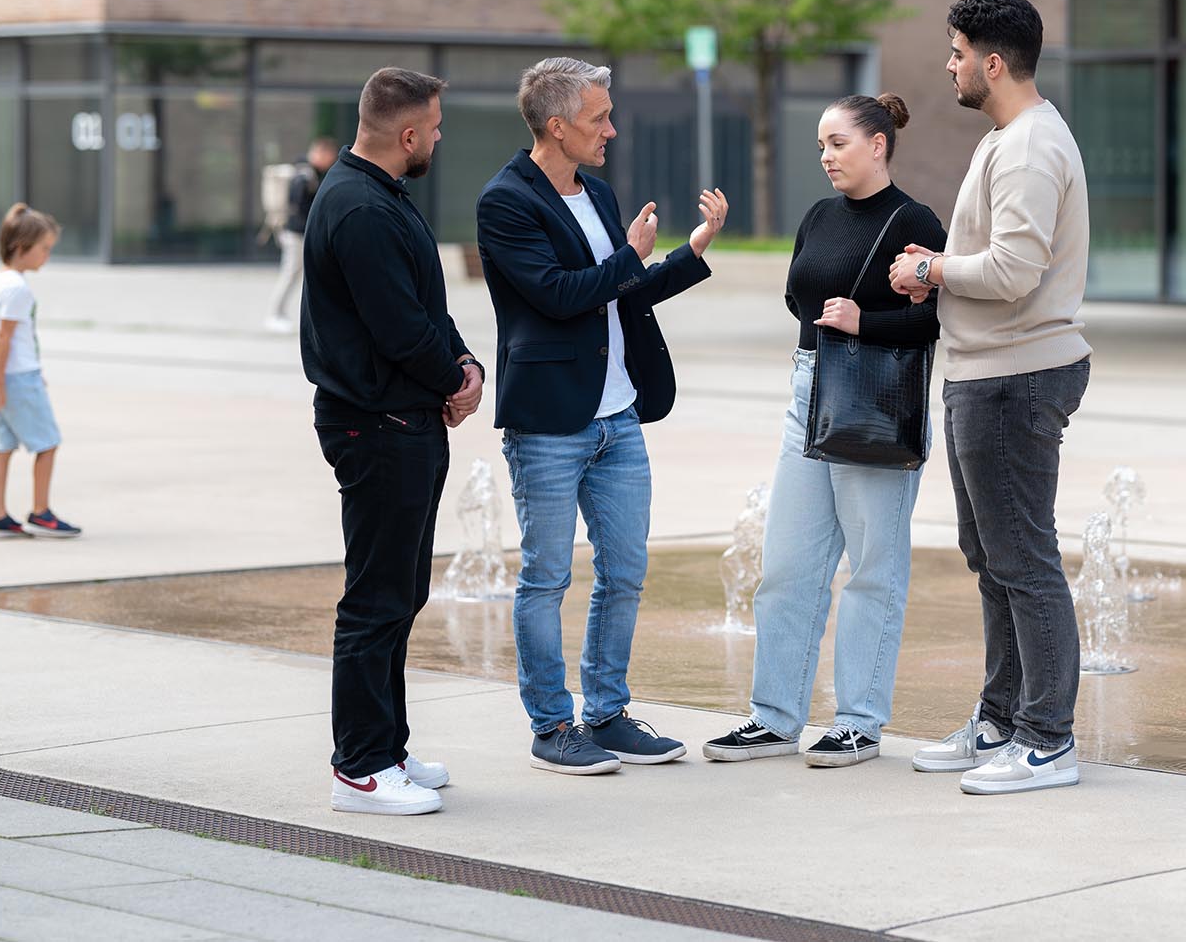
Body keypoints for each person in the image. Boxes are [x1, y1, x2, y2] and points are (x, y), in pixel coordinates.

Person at [476, 57, 726, 775]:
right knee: (546, 577)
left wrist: (686, 254)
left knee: (626, 570)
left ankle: (608, 714)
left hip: (619, 417)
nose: (611, 129)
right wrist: (628, 257)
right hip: (551, 422)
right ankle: (552, 726)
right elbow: (558, 294)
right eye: (599, 118)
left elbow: (625, 293)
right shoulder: (506, 201)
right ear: (557, 126)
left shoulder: (598, 190)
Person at [888, 0, 1093, 796]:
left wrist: (932, 269)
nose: (949, 65)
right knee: (993, 558)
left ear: (992, 62)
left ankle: (1047, 739)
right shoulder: (1008, 139)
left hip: (1015, 373)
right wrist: (933, 269)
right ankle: (1002, 718)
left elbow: (1012, 272)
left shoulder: (1032, 145)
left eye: (956, 51)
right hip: (986, 369)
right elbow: (996, 258)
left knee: (1023, 558)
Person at [704, 94, 947, 768]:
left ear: (878, 144)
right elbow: (800, 299)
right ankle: (774, 716)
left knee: (872, 568)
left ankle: (859, 722)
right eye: (820, 145)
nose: (826, 156)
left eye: (838, 143)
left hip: (875, 399)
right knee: (786, 565)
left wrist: (864, 322)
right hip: (808, 394)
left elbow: (933, 323)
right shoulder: (817, 216)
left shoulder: (914, 220)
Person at [302, 68, 484, 816]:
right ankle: (360, 768)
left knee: (402, 591)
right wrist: (454, 377)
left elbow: (425, 305)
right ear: (407, 134)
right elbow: (398, 325)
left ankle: (388, 746)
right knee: (377, 596)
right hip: (376, 425)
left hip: (403, 419)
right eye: (435, 128)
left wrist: (464, 361)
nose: (439, 138)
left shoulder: (379, 196)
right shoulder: (358, 207)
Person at [0, 204, 79, 540]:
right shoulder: (17, 290)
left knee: (2, 446)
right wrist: (5, 383)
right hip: (14, 378)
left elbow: (10, 340)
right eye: (44, 249)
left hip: (2, 377)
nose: (47, 256)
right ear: (21, 248)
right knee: (48, 443)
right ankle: (41, 512)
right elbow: (4, 339)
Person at [266, 137, 338, 331]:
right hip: (296, 234)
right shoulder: (305, 176)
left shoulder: (307, 172)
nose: (331, 160)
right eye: (329, 155)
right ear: (320, 153)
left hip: (297, 233)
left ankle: (279, 314)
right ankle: (275, 314)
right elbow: (298, 207)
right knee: (290, 274)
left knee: (299, 274)